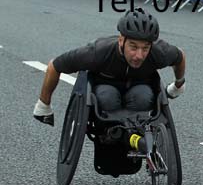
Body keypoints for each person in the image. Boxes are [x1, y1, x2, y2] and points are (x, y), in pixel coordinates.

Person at [33, 9, 187, 126]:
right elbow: (55, 66)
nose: (139, 55)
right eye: (133, 47)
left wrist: (178, 85)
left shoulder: (159, 52)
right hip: (106, 88)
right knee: (107, 97)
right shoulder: (97, 52)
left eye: (145, 48)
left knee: (144, 97)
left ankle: (136, 132)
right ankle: (111, 131)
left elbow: (180, 56)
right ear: (121, 41)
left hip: (140, 88)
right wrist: (44, 105)